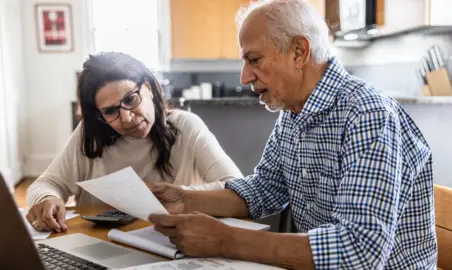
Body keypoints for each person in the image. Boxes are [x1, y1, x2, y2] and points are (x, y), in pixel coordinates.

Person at [148, 0, 438, 269]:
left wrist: (226, 239)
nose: (244, 77)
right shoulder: (293, 110)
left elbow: (360, 251)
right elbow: (266, 188)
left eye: (254, 59)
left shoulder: (367, 114)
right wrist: (185, 200)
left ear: (299, 52)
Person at [26, 52, 243, 233]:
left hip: (170, 244)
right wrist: (47, 198)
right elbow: (45, 184)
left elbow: (236, 187)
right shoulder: (90, 135)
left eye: (130, 99)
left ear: (148, 87)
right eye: (111, 111)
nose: (127, 117)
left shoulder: (185, 126)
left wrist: (181, 195)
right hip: (101, 244)